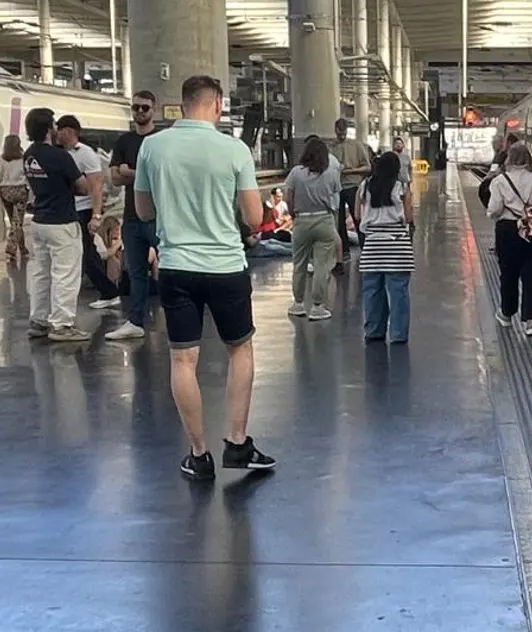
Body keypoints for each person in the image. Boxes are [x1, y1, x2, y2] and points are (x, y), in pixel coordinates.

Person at [134, 74, 275, 480]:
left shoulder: (152, 147)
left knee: (183, 359)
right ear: (216, 104)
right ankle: (236, 443)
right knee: (240, 351)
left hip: (177, 266)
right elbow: (252, 219)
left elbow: (143, 211)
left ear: (182, 104)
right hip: (226, 267)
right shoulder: (234, 149)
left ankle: (198, 454)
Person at [22, 108, 90, 342]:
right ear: (48, 128)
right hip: (62, 221)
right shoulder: (59, 156)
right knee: (65, 273)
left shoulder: (28, 155)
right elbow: (83, 187)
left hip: (39, 221)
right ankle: (61, 325)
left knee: (42, 272)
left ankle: (38, 320)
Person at [106, 90, 160, 342]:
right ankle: (135, 320)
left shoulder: (161, 140)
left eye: (144, 108)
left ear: (153, 110)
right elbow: (114, 177)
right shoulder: (124, 141)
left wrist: (131, 171)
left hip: (159, 216)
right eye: (136, 107)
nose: (139, 112)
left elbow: (163, 176)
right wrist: (138, 173)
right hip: (131, 216)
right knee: (136, 271)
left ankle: (179, 314)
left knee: (171, 267)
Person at [55, 115, 123, 313]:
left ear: (69, 131)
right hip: (67, 208)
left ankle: (109, 292)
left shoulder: (85, 154)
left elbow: (96, 186)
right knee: (83, 252)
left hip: (83, 208)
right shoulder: (58, 153)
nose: (56, 133)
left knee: (86, 252)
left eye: (59, 129)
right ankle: (107, 291)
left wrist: (96, 215)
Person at [486, 142, 532, 337]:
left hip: (509, 230)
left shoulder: (500, 181)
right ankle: (531, 322)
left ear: (509, 158)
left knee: (509, 273)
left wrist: (494, 214)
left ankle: (506, 314)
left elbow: (494, 209)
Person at [356, 151, 414, 343]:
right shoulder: (402, 187)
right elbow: (408, 217)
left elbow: (357, 215)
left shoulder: (364, 186)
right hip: (397, 245)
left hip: (373, 244)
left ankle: (374, 331)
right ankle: (398, 334)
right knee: (398, 293)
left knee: (372, 291)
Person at [283, 135, 341, 320]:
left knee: (299, 264)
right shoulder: (331, 173)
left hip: (302, 220)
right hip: (324, 219)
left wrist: (294, 214)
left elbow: (288, 197)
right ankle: (318, 306)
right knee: (322, 265)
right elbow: (335, 199)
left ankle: (298, 303)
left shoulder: (296, 173)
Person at [332, 117, 372, 261]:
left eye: (343, 133)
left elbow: (367, 167)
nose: (341, 136)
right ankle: (344, 252)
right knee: (339, 221)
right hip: (337, 188)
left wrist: (350, 171)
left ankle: (365, 249)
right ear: (335, 131)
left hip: (353, 187)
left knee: (358, 219)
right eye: (339, 133)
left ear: (347, 131)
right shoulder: (332, 147)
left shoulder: (357, 146)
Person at [0, 134, 30, 263]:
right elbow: (28, 175)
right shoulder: (23, 159)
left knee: (14, 222)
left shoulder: (0, 159)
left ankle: (22, 248)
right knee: (17, 222)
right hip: (20, 190)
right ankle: (11, 250)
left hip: (6, 192)